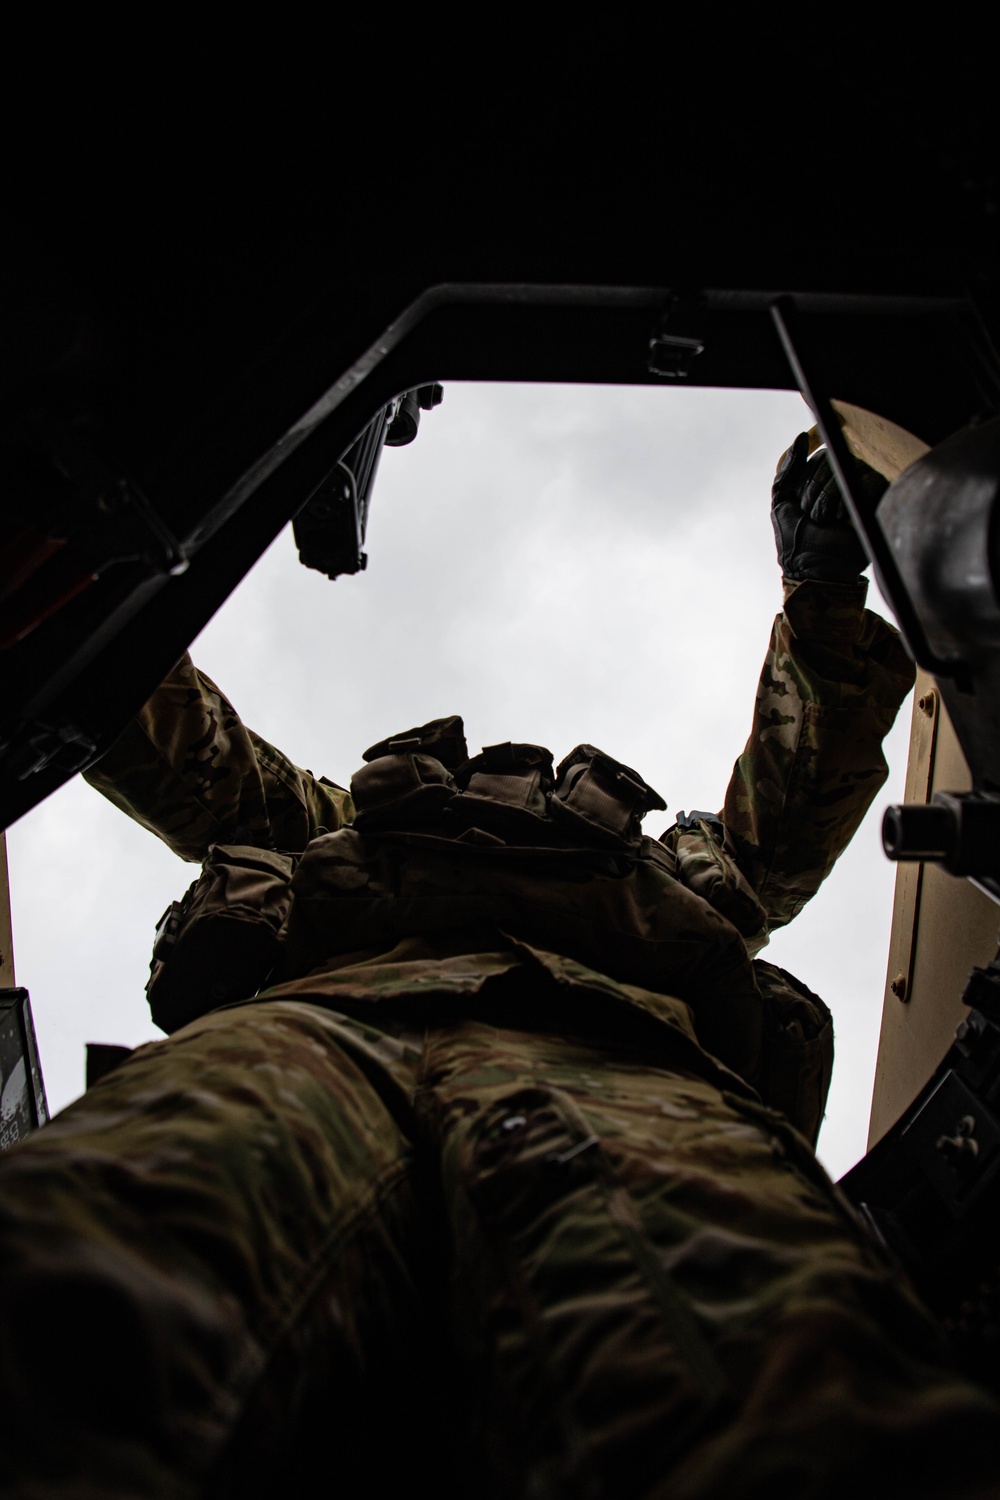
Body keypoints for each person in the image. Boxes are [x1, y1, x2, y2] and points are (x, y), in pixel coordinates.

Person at [0, 434, 996, 1499]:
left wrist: (823, 592)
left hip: (611, 1055)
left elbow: (781, 824)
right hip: (332, 1028)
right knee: (87, 1278)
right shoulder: (340, 835)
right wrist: (84, 595)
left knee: (765, 1376)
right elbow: (195, 758)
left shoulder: (658, 875)